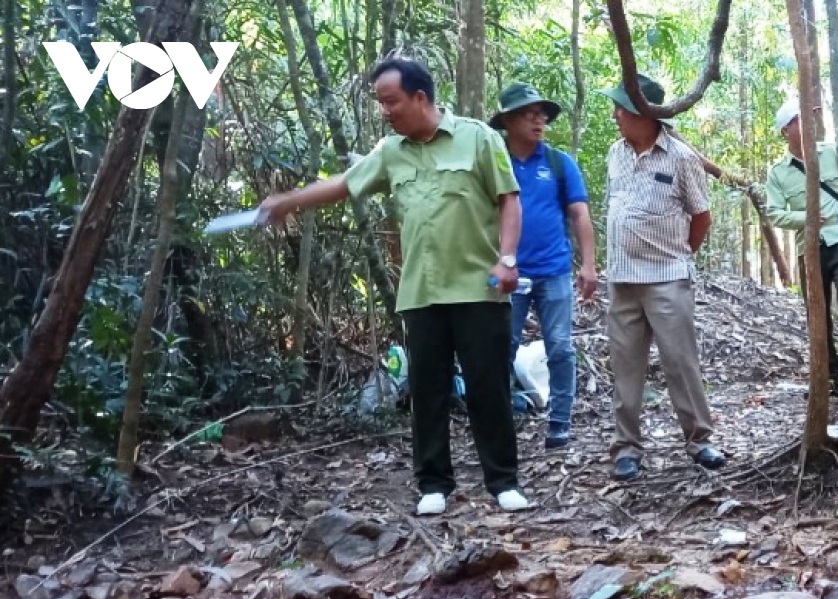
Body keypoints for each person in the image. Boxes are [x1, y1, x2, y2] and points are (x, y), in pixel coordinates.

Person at [258, 58, 531, 515]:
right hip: (421, 291)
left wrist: (508, 259)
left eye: (391, 101)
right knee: (428, 390)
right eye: (381, 103)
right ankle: (434, 485)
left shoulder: (478, 138)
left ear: (420, 98)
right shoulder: (391, 151)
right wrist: (289, 202)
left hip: (478, 288)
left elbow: (509, 200)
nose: (385, 110)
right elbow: (345, 185)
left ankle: (503, 481)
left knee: (489, 388)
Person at [599, 73, 726, 481]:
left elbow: (701, 216)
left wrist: (682, 256)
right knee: (625, 367)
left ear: (645, 113)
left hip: (667, 276)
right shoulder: (615, 153)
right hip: (622, 279)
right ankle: (627, 448)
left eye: (622, 107)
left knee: (680, 362)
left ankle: (700, 440)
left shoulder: (682, 157)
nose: (616, 114)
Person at [489, 82, 598, 449]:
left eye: (542, 115)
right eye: (529, 114)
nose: (539, 121)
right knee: (500, 348)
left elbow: (579, 213)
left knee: (561, 347)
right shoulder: (492, 162)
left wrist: (588, 265)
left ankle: (560, 423)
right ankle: (500, 422)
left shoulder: (558, 163)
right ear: (508, 120)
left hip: (553, 270)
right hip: (508, 273)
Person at [766, 100, 838, 399]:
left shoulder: (832, 153)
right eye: (802, 119)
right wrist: (808, 218)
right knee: (817, 316)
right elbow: (774, 213)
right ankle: (830, 379)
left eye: (813, 117)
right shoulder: (778, 173)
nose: (811, 123)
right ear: (786, 129)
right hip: (809, 248)